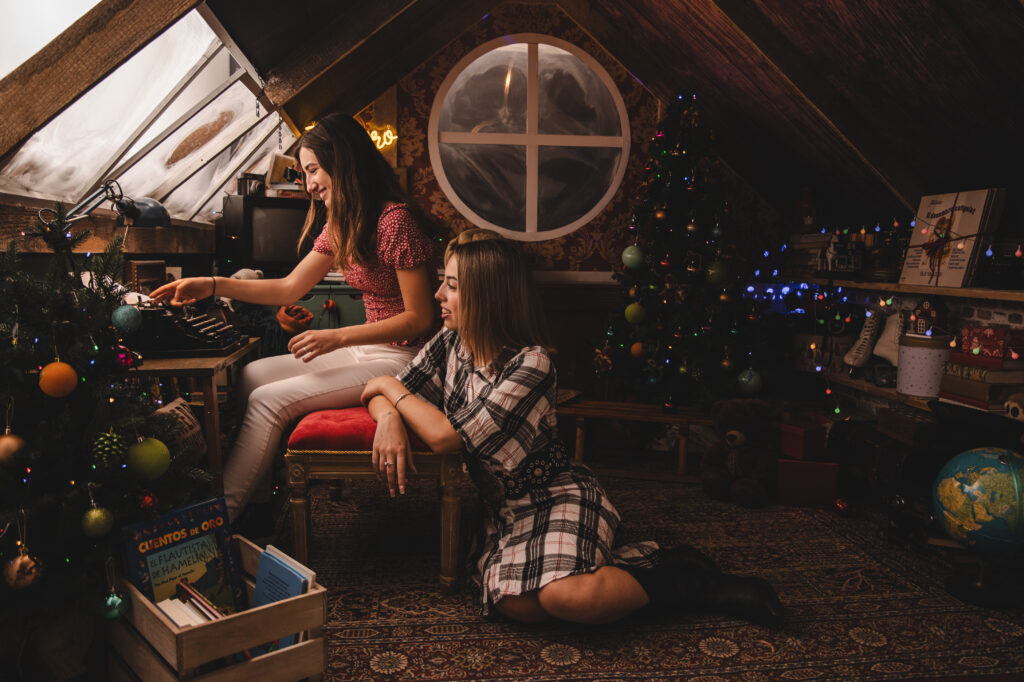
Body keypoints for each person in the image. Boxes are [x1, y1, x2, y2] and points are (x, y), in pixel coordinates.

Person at [360, 230, 784, 626]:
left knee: (567, 599)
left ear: (486, 294)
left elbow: (443, 434)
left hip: (555, 497)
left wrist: (385, 385)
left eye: (451, 285)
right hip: (502, 512)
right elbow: (390, 396)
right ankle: (631, 566)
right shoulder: (450, 343)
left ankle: (693, 583)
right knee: (516, 605)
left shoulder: (532, 363)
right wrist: (389, 414)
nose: (438, 295)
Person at [151, 113, 439, 521]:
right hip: (366, 351)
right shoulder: (342, 222)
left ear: (342, 163)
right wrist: (213, 284)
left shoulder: (396, 222)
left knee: (269, 401)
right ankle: (263, 498)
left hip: (403, 361)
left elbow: (420, 320)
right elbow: (288, 288)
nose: (309, 184)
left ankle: (219, 522)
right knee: (252, 376)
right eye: (305, 173)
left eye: (313, 170)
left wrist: (336, 337)